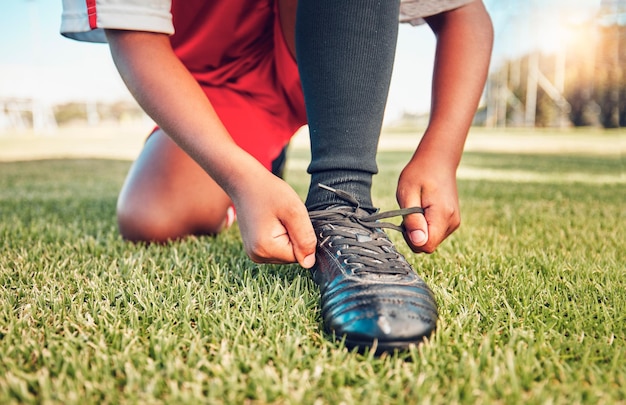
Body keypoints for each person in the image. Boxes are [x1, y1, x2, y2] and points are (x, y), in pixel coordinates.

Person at [61, 0, 493, 353]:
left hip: (326, 52)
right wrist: (239, 178)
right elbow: (133, 36)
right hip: (216, 88)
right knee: (150, 217)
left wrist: (442, 151)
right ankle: (262, 162)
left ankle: (341, 198)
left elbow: (465, 14)